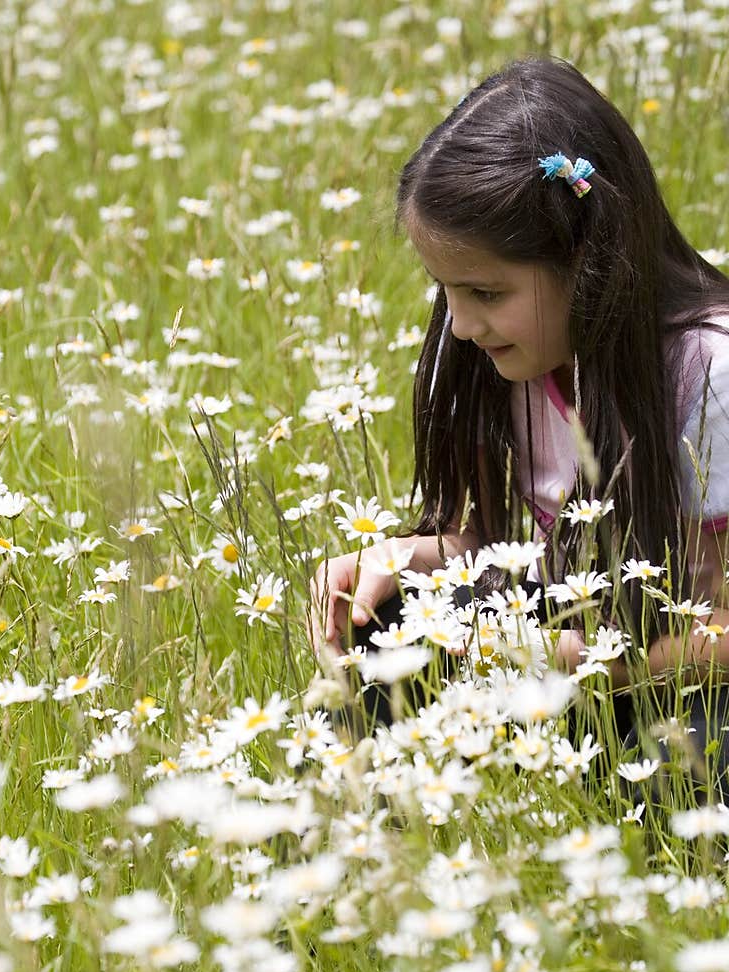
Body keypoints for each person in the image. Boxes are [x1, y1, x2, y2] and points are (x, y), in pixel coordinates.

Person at [307, 55, 729, 800]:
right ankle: (358, 834)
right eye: (445, 290)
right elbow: (544, 553)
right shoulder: (525, 355)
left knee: (686, 768)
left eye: (486, 292)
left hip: (684, 680)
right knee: (397, 622)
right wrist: (408, 557)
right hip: (581, 651)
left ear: (591, 260)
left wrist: (598, 663)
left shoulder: (709, 378)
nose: (461, 325)